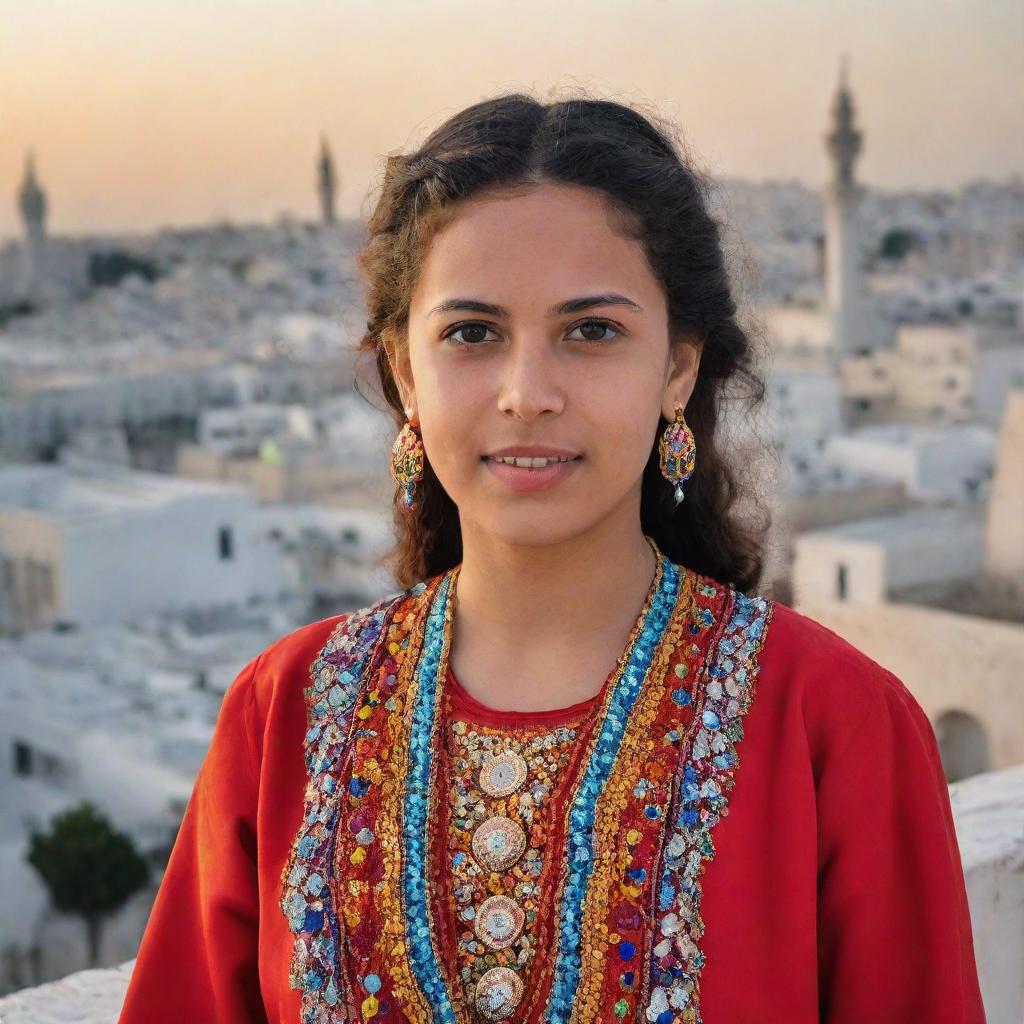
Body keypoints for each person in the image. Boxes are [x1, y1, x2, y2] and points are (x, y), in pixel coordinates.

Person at [118, 92, 986, 1024]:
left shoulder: (832, 726)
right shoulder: (282, 716)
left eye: (592, 331)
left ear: (678, 368)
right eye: (472, 333)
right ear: (406, 373)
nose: (527, 393)